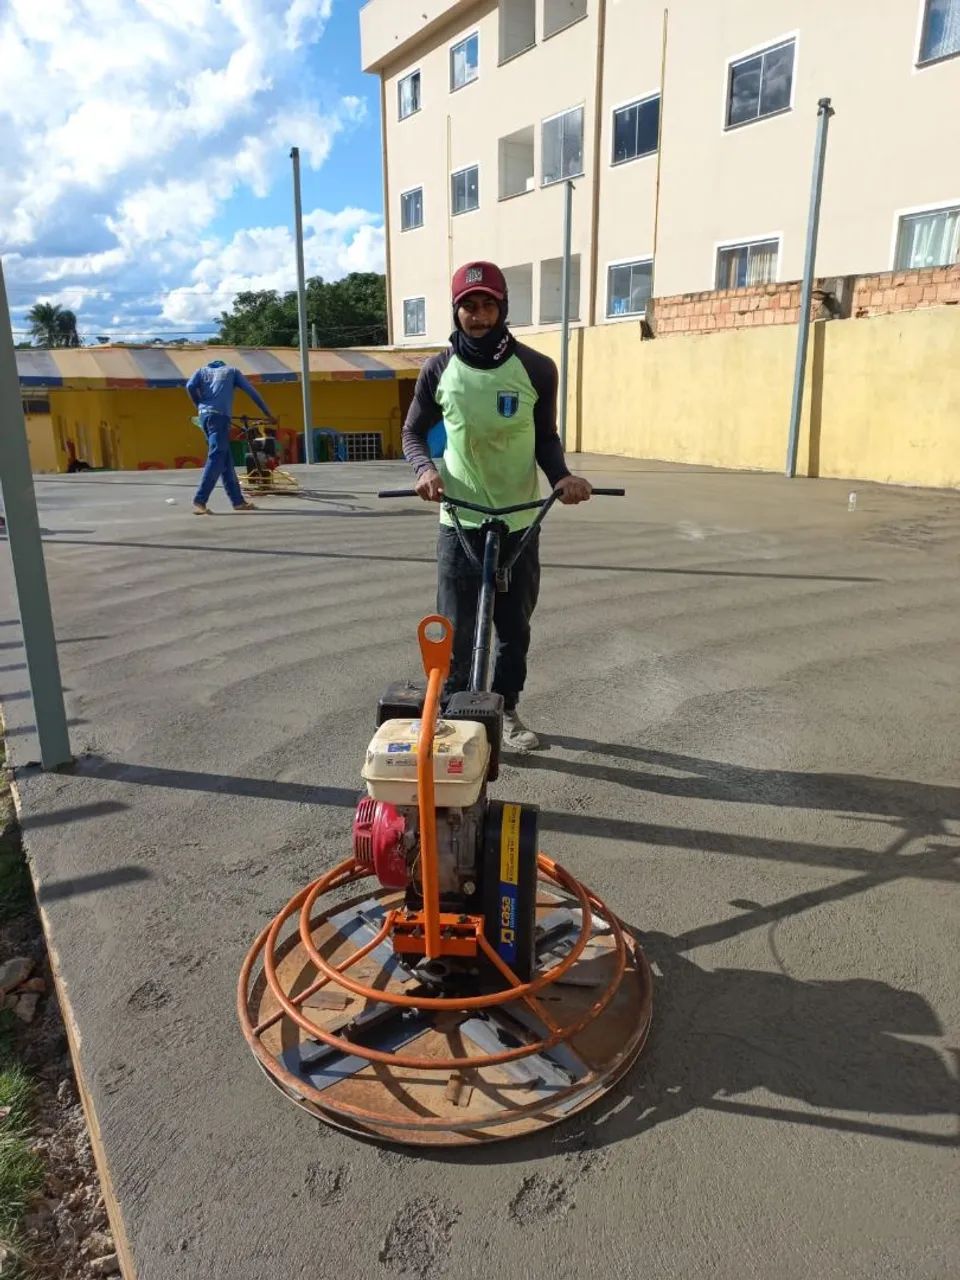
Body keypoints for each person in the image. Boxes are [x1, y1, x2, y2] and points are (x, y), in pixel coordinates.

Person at [402, 260, 592, 751]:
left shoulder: (535, 368)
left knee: (512, 628)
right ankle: (452, 714)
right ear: (456, 311)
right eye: (469, 305)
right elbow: (413, 433)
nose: (479, 315)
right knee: (457, 629)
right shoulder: (438, 369)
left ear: (503, 308)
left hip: (519, 519)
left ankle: (505, 710)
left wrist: (563, 478)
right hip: (459, 517)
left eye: (488, 304)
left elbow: (545, 439)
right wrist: (424, 470)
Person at [185, 359, 275, 514]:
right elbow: (251, 392)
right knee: (217, 456)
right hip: (219, 417)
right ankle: (200, 499)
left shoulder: (201, 371)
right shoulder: (232, 371)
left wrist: (199, 405)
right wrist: (267, 413)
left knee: (225, 461)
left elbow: (190, 386)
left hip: (204, 417)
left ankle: (238, 502)